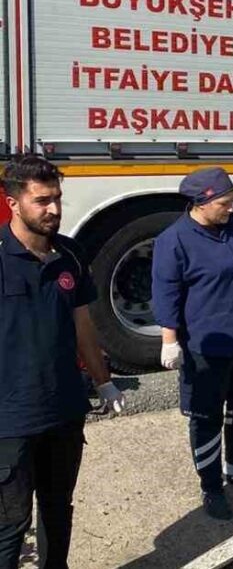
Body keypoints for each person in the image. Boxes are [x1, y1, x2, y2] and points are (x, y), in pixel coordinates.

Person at [0, 156, 126, 569]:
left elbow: (83, 326)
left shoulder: (69, 253)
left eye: (57, 198)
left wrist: (104, 381)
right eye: (41, 200)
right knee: (10, 524)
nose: (53, 209)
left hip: (65, 411)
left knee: (57, 508)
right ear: (13, 202)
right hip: (10, 421)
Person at [152, 167, 233, 521]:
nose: (231, 209)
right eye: (224, 203)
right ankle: (211, 486)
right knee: (207, 418)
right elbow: (166, 292)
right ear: (201, 203)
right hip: (207, 345)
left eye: (232, 201)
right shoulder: (173, 240)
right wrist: (169, 340)